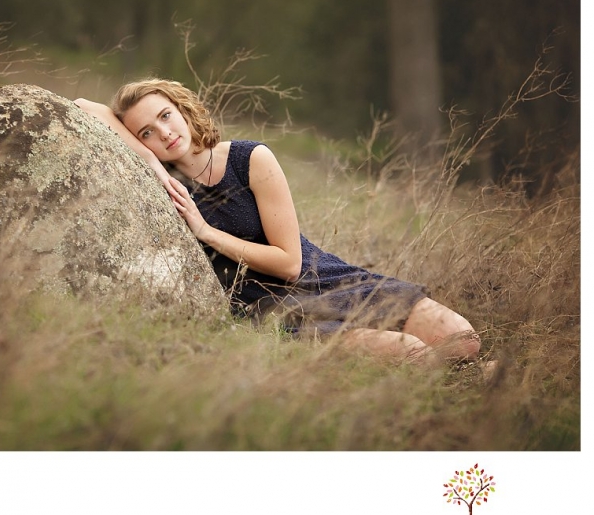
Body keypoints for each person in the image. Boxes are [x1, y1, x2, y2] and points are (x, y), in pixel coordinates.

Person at [74, 79, 481, 367]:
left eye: (166, 115)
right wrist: (149, 162)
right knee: (410, 353)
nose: (163, 132)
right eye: (146, 132)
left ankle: (466, 374)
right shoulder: (166, 186)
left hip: (321, 275)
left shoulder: (249, 159)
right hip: (270, 305)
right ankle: (462, 384)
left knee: (462, 340)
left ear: (183, 109)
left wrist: (206, 232)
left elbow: (290, 263)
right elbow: (81, 107)